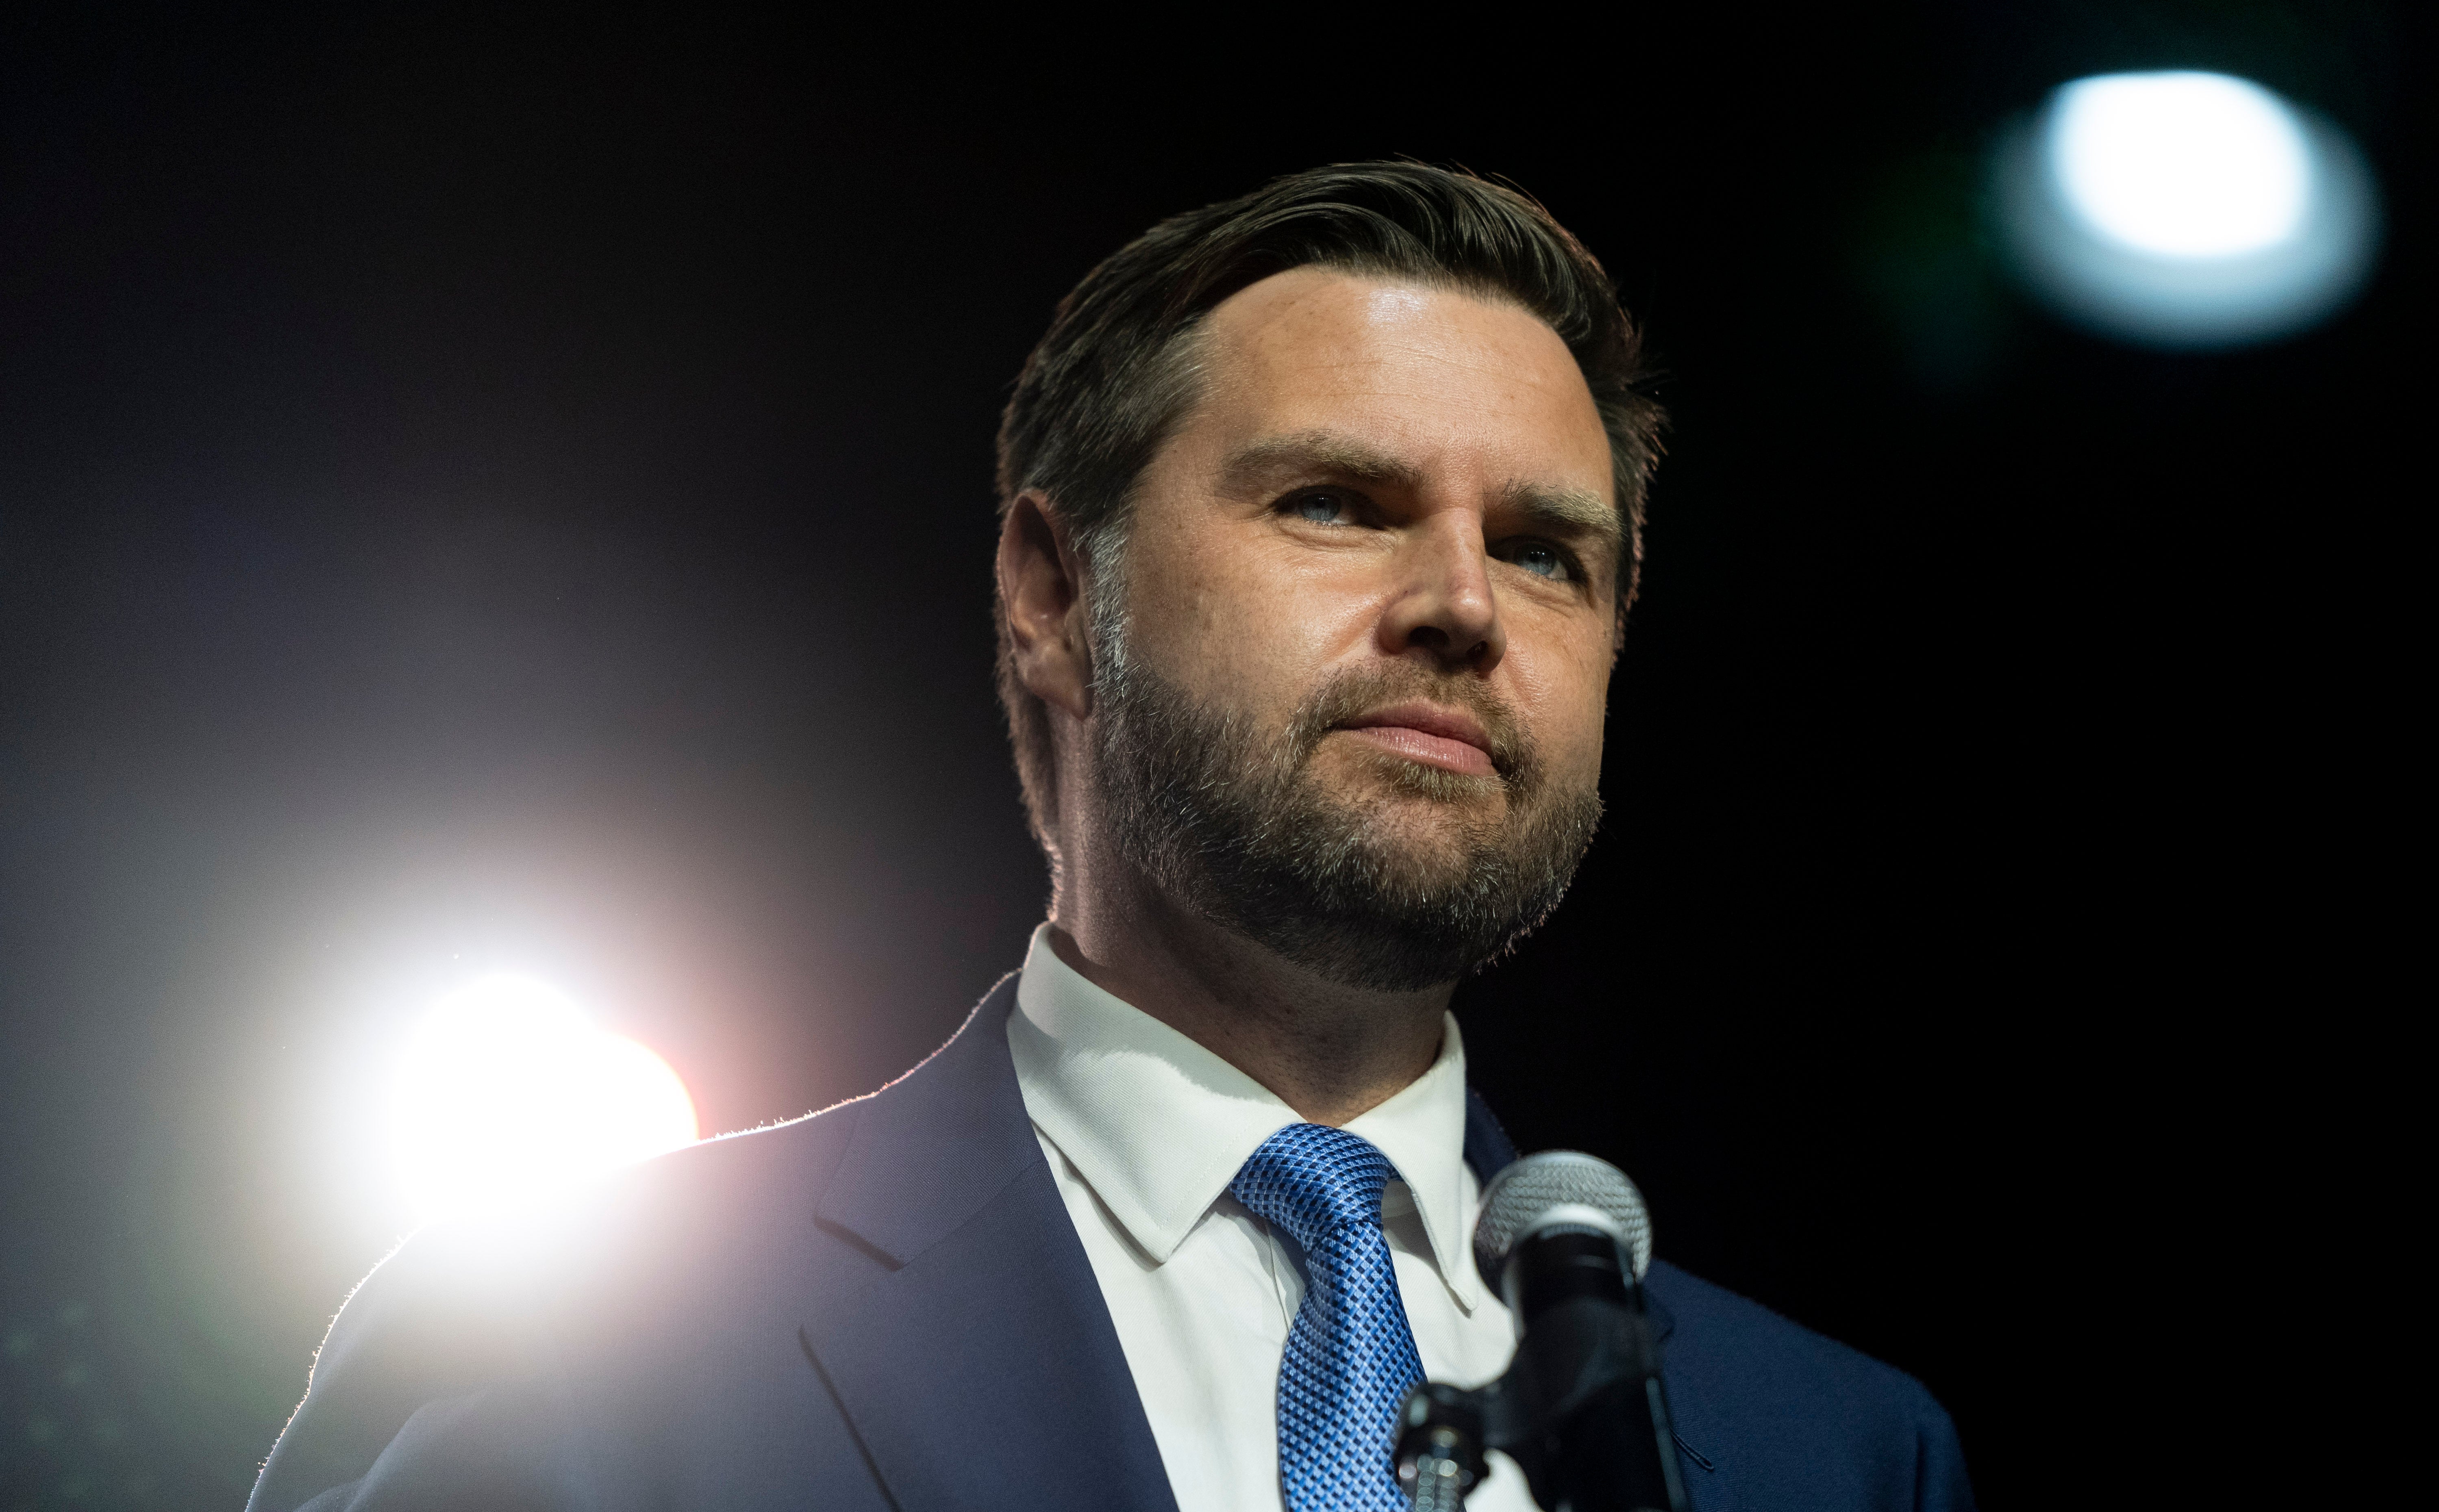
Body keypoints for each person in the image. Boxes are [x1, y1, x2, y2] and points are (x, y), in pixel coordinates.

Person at [248, 163, 1974, 1512]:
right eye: (1337, 504)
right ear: (1055, 594)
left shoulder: (1841, 1452)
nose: (1462, 603)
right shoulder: (574, 1349)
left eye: (1545, 551)